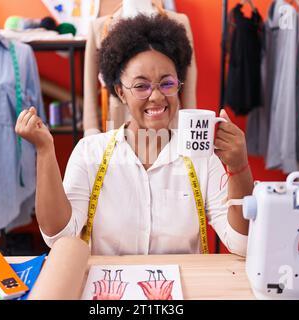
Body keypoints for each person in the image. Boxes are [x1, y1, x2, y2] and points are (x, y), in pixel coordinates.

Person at [15, 14, 254, 256]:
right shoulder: (90, 153)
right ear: (120, 92)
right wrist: (45, 151)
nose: (157, 96)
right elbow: (59, 235)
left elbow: (241, 244)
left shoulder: (202, 158)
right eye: (141, 86)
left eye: (167, 83)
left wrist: (239, 168)